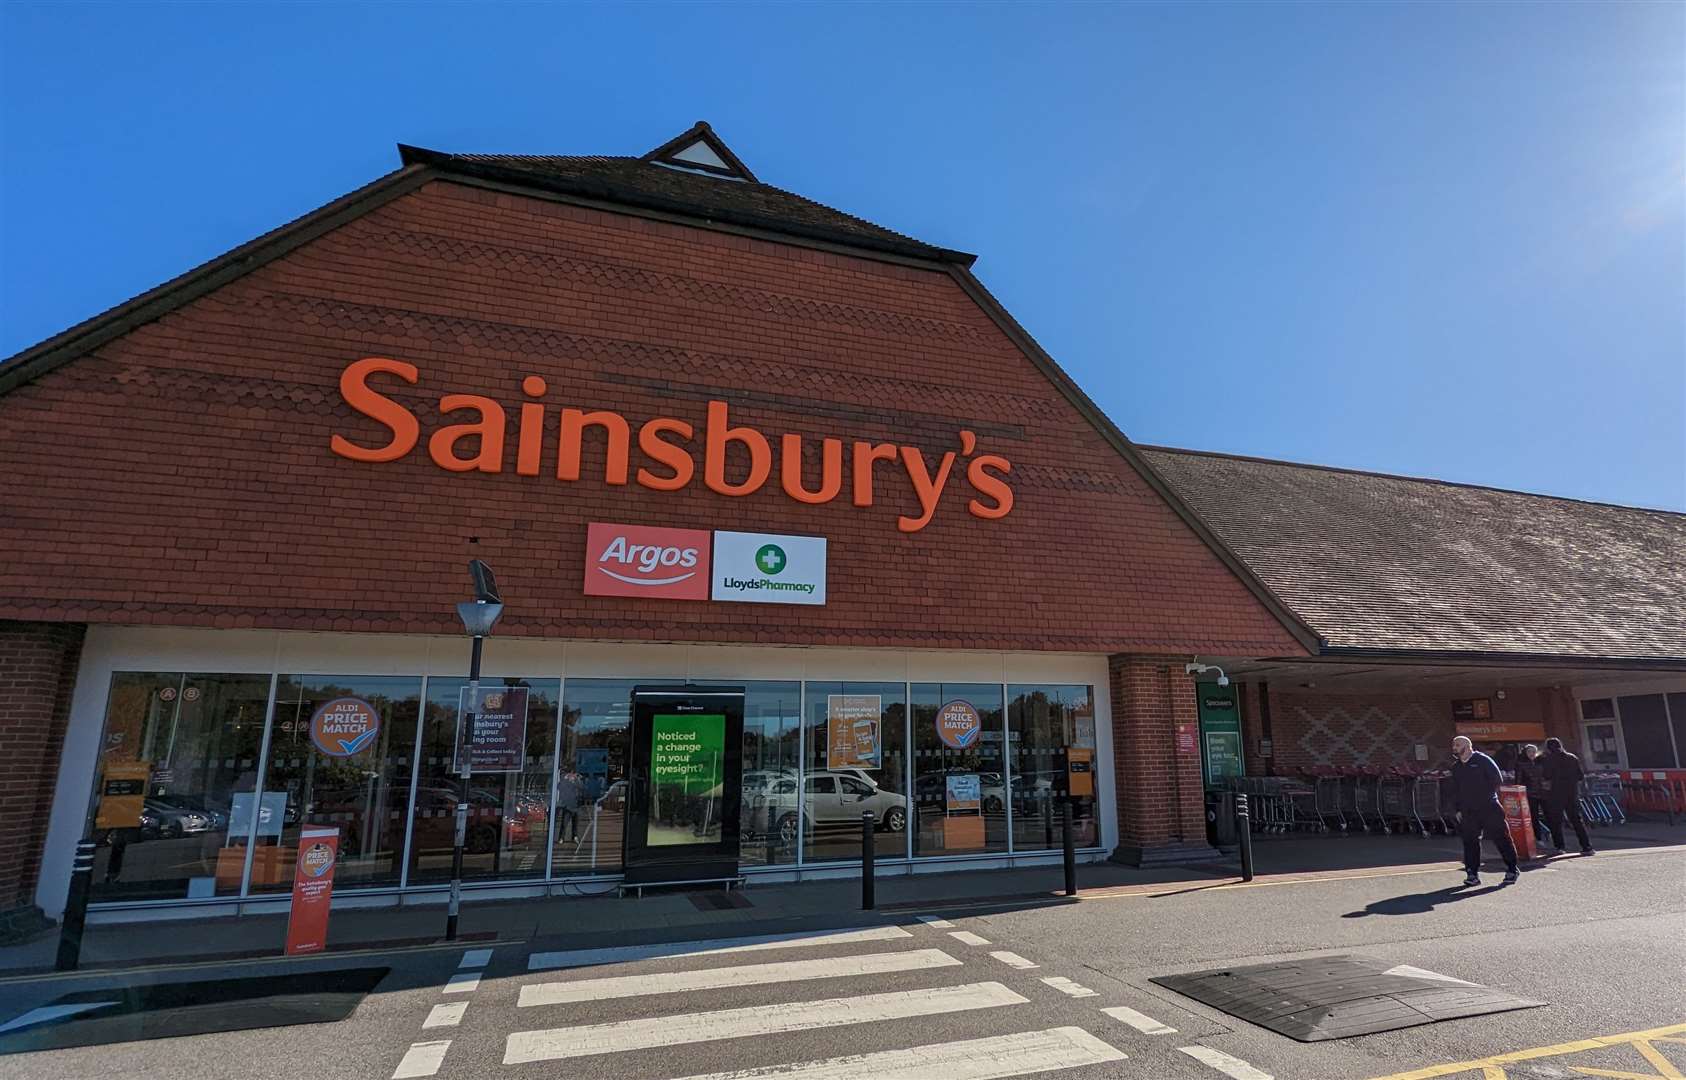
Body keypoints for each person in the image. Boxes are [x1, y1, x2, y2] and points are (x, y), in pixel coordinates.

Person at [1451, 735, 1519, 886]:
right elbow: (1454, 789)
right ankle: (1472, 874)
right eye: (1453, 745)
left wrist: (1483, 796)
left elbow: (1497, 779)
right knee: (1470, 842)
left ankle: (1512, 868)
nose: (1454, 747)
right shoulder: (1456, 767)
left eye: (1457, 744)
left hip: (1489, 807)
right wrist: (1458, 809)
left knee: (1501, 837)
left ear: (1467, 746)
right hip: (1468, 811)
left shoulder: (1482, 760)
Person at [1539, 737, 1595, 855]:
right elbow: (1580, 776)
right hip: (1572, 792)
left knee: (1556, 821)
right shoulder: (1572, 757)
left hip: (1555, 793)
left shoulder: (1548, 759)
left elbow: (1546, 776)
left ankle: (1560, 847)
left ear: (1548, 748)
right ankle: (1587, 846)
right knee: (1576, 820)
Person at [1515, 744, 1551, 844]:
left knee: (1549, 814)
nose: (1532, 754)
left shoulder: (1540, 762)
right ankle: (1538, 837)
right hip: (1530, 794)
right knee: (1534, 816)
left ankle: (1551, 833)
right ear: (1525, 753)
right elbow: (1518, 780)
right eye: (1529, 751)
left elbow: (1546, 776)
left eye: (1534, 752)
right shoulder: (1521, 764)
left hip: (1542, 792)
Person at [555, 770, 582, 842]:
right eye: (570, 775)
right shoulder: (565, 782)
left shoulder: (577, 782)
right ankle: (561, 837)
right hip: (567, 806)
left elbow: (582, 788)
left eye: (572, 775)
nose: (572, 777)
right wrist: (565, 779)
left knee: (575, 823)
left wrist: (577, 779)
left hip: (576, 806)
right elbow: (558, 786)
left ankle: (575, 836)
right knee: (564, 823)